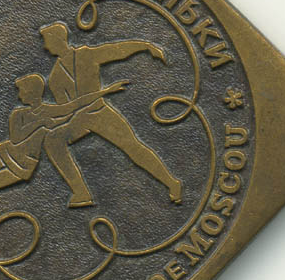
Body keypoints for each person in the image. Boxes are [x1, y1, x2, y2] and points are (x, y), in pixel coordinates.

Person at [40, 21, 182, 207]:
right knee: (53, 141)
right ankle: (81, 193)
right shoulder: (55, 77)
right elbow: (67, 108)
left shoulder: (85, 55)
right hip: (79, 119)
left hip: (100, 112)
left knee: (133, 148)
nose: (45, 46)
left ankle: (172, 183)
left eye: (47, 41)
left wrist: (146, 46)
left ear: (58, 40)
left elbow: (117, 50)